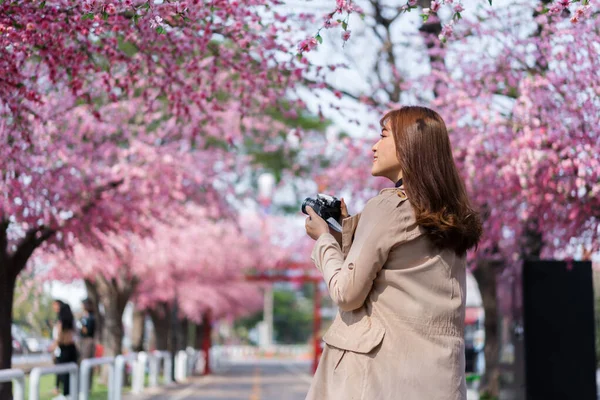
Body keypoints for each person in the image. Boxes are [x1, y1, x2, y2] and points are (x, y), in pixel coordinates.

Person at [304, 106, 482, 400]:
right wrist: (348, 233)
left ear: (408, 144)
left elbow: (348, 293)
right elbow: (396, 279)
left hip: (377, 379)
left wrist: (324, 240)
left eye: (384, 135)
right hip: (438, 380)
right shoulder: (449, 216)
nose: (374, 146)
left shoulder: (388, 207)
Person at [49, 301, 79, 398]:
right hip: (72, 350)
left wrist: (52, 347)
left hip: (64, 350)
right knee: (71, 376)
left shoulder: (61, 323)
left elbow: (59, 338)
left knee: (63, 375)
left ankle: (66, 395)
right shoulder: (72, 322)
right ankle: (70, 395)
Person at [79, 298, 97, 391]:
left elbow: (87, 331)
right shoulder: (84, 317)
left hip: (88, 342)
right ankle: (82, 385)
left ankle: (87, 386)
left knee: (86, 363)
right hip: (83, 341)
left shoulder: (90, 318)